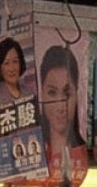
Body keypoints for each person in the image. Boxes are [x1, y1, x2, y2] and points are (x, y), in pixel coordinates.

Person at [37, 42, 87, 179]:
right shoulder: (32, 152)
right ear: (41, 93)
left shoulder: (87, 152)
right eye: (52, 93)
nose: (60, 106)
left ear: (77, 94)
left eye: (67, 94)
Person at [0, 36, 31, 103]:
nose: (12, 69)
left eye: (15, 61)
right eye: (6, 63)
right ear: (0, 68)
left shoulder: (29, 93)